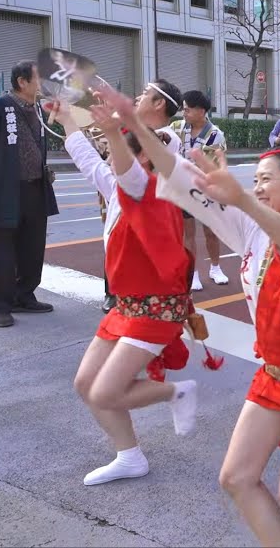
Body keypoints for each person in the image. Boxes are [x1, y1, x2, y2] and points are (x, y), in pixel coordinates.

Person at [105, 86, 280, 548]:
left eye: (267, 179)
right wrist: (128, 122)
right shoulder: (249, 227)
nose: (258, 186)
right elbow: (180, 176)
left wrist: (243, 200)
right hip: (275, 373)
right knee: (236, 478)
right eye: (255, 179)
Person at [54, 99, 202, 487]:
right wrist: (69, 119)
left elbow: (129, 173)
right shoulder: (119, 186)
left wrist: (113, 133)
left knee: (105, 392)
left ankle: (176, 392)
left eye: (120, 153)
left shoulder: (151, 191)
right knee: (85, 385)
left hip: (156, 307)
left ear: (147, 160)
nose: (111, 161)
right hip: (128, 304)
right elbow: (90, 161)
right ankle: (130, 456)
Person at [0, 61, 61, 327]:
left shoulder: (38, 110)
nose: (42, 84)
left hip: (34, 187)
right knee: (2, 248)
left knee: (32, 245)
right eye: (38, 79)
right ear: (22, 82)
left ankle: (24, 295)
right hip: (4, 189)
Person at [172, 90, 229, 291]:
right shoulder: (177, 127)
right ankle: (192, 272)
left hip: (205, 188)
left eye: (188, 109)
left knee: (211, 232)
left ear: (201, 111)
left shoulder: (215, 135)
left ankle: (215, 267)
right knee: (188, 233)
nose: (184, 112)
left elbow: (211, 166)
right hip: (183, 189)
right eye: (183, 109)